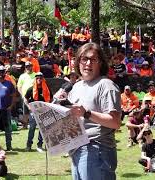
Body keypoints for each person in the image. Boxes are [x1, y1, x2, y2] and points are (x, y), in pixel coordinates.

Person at [65, 43, 121, 180]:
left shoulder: (106, 85)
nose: (88, 63)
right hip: (76, 148)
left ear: (100, 63)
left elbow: (115, 122)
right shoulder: (76, 87)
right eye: (84, 59)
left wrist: (87, 113)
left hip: (97, 148)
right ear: (78, 62)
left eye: (93, 59)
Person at [24, 72, 52, 152]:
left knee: (42, 129)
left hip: (43, 111)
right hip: (34, 112)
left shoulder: (47, 88)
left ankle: (40, 145)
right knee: (32, 128)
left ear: (43, 79)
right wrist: (29, 107)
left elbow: (51, 98)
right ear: (35, 79)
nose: (39, 79)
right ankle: (28, 145)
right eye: (37, 78)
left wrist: (49, 106)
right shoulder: (31, 88)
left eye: (40, 78)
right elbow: (25, 98)